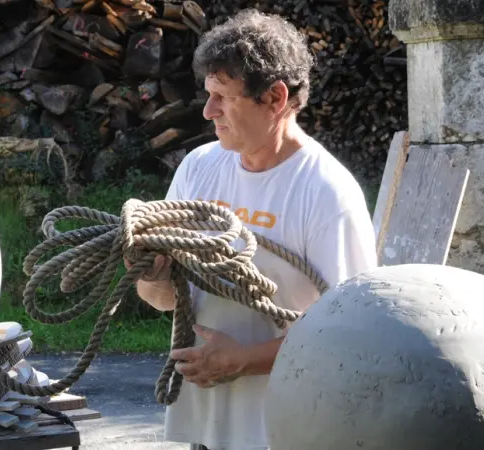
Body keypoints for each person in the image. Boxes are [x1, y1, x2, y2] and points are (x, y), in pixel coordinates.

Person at [131, 8, 378, 450]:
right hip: (205, 428)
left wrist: (243, 361)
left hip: (288, 432)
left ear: (276, 98)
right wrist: (153, 274)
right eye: (208, 94)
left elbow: (351, 336)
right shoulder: (198, 169)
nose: (209, 111)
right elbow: (163, 301)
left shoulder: (326, 193)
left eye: (223, 96)